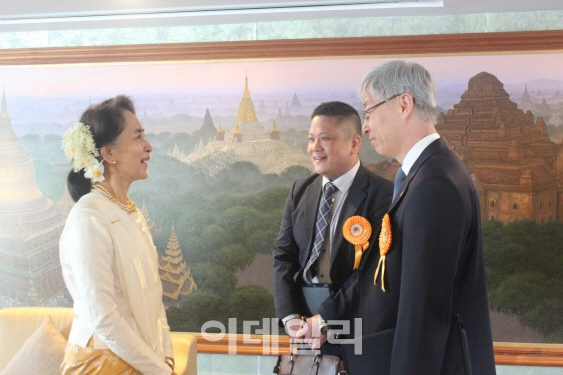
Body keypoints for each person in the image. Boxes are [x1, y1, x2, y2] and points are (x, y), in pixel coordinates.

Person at [305, 60, 496, 374]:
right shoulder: (422, 175)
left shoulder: (434, 183)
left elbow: (424, 314)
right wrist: (326, 317)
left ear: (403, 104)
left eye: (368, 111)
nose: (365, 126)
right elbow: (385, 266)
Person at [59, 96, 178, 375]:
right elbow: (104, 318)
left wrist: (166, 356)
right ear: (109, 154)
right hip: (102, 363)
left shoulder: (128, 210)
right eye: (138, 137)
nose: (148, 146)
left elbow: (152, 296)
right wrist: (159, 370)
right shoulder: (88, 218)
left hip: (144, 361)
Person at [272, 101, 393, 353]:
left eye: (324, 138)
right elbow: (283, 258)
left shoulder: (383, 194)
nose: (315, 148)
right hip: (304, 325)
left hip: (354, 324)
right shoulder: (300, 190)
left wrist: (328, 320)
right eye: (311, 139)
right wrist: (290, 317)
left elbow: (375, 270)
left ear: (354, 143)